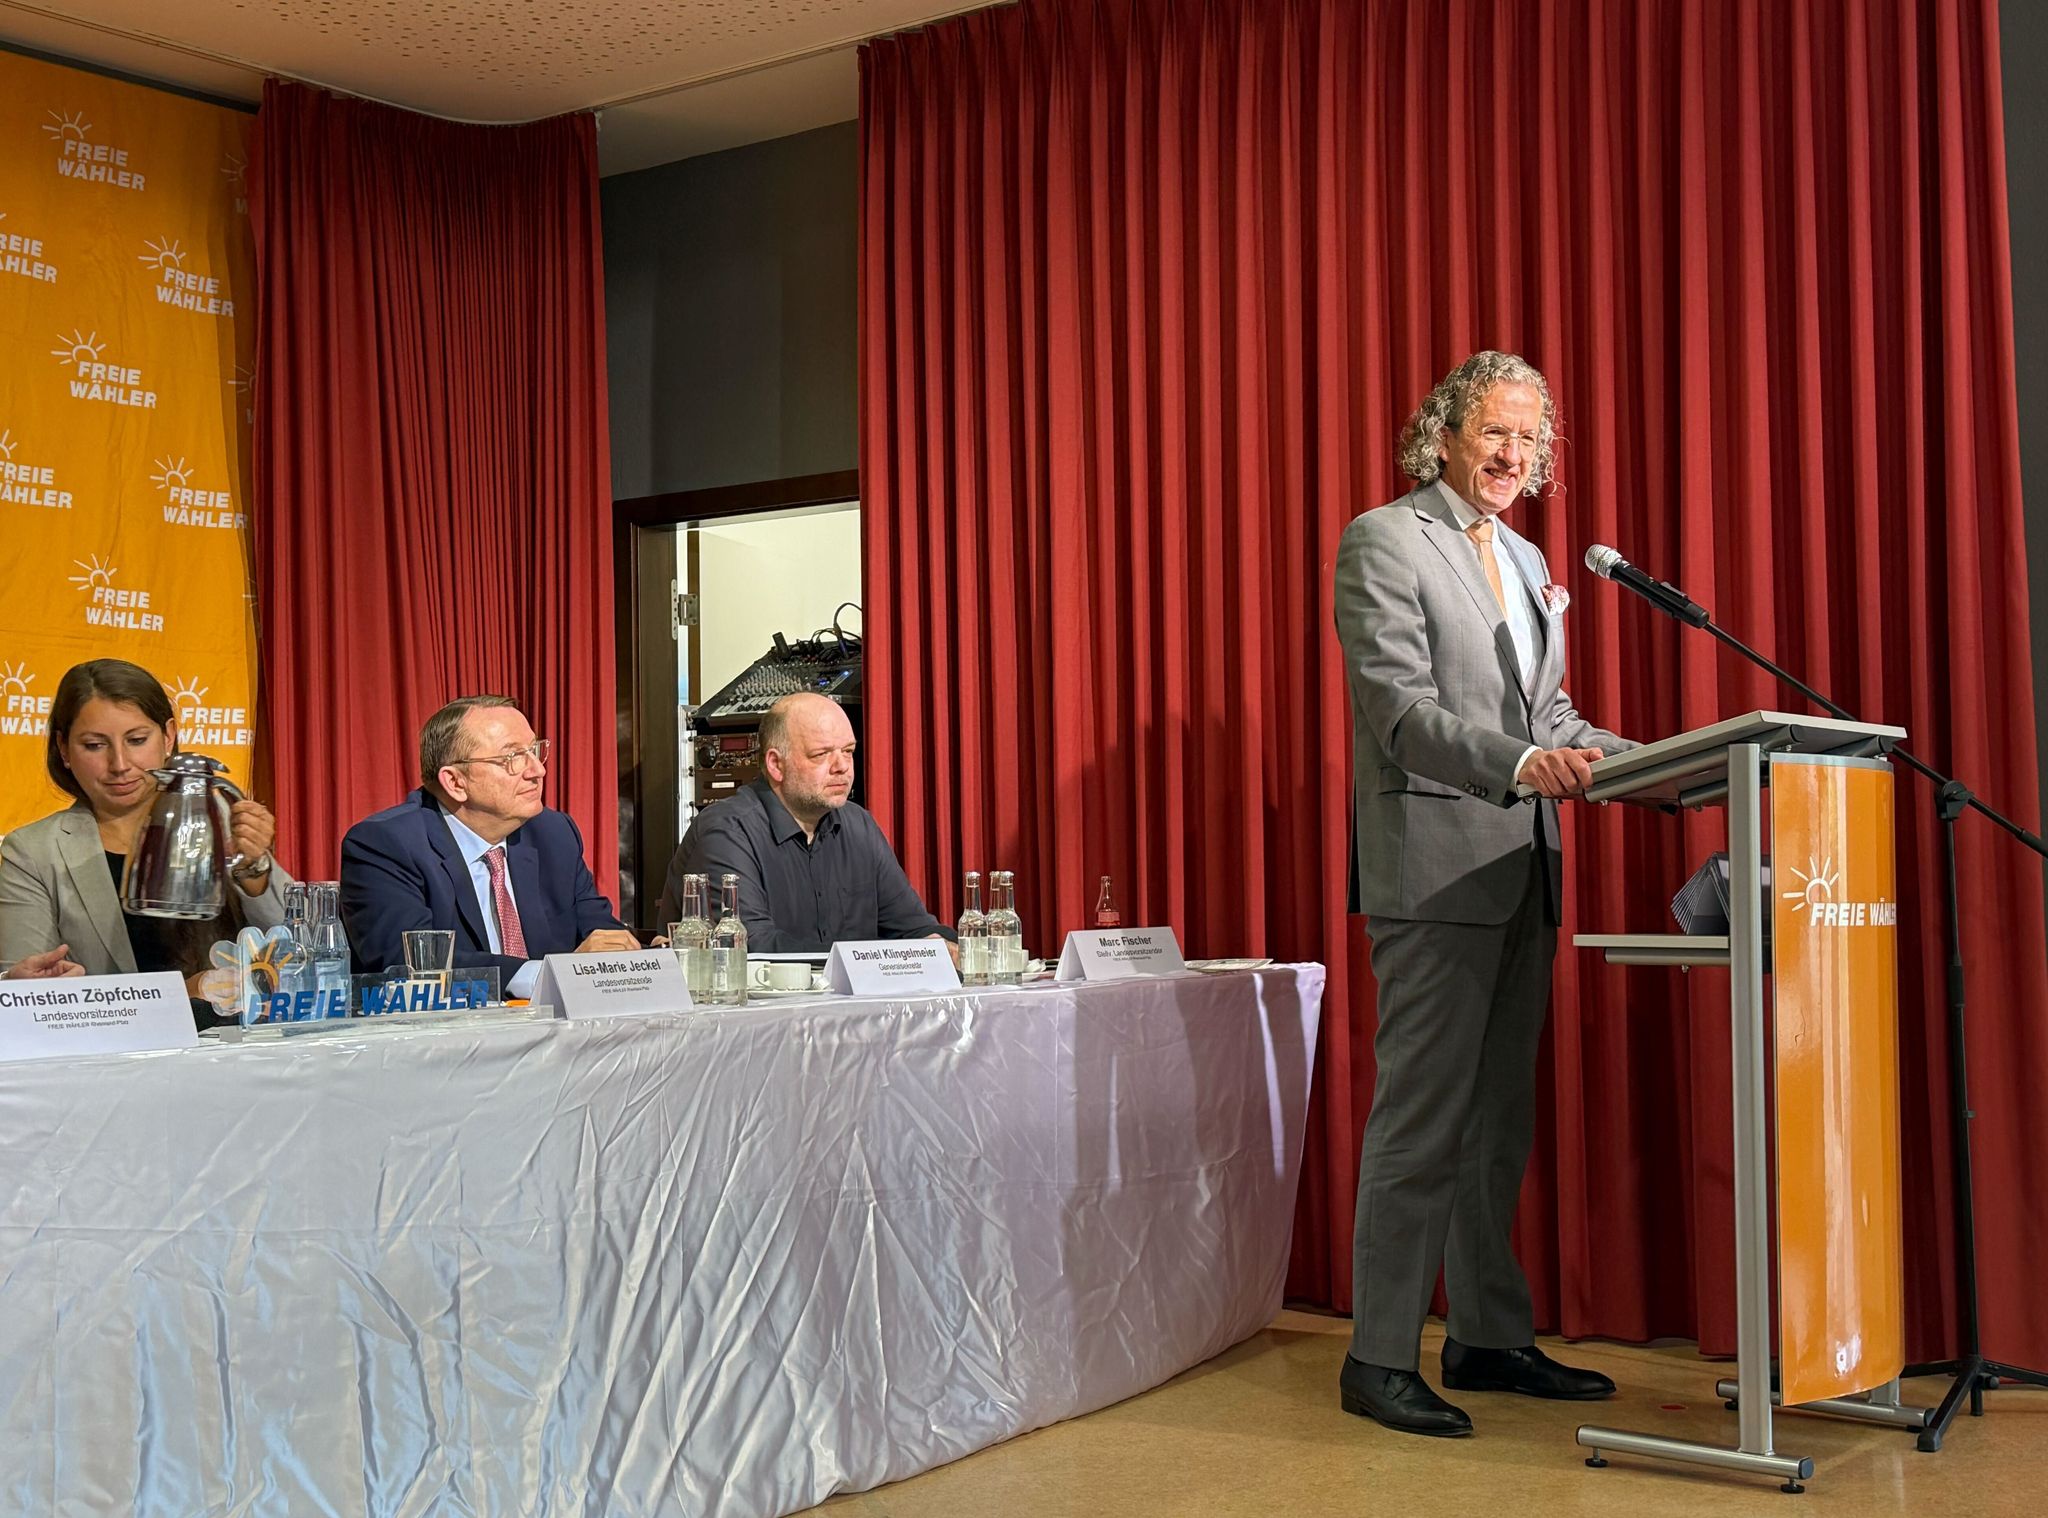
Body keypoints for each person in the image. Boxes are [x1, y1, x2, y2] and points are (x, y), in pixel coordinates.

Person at [1332, 351, 1637, 1437]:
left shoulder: (1526, 555)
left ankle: (1488, 1337)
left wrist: (1655, 764)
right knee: (1421, 1122)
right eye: (1495, 432)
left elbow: (1548, 718)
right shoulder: (1384, 539)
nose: (1513, 455)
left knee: (1497, 1124)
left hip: (1523, 868)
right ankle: (1376, 1357)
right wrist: (1519, 765)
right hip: (1433, 869)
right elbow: (1398, 710)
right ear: (1445, 436)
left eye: (1529, 439)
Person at [0, 659, 291, 1023]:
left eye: (137, 740)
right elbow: (27, 1000)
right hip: (116, 1051)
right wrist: (179, 993)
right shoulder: (33, 851)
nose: (120, 764)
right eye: (94, 745)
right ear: (64, 748)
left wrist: (254, 868)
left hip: (241, 1042)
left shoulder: (216, 813)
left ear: (168, 736)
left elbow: (297, 950)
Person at [340, 695, 637, 995]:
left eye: (534, 750)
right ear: (455, 782)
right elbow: (408, 965)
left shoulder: (554, 834)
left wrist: (637, 954)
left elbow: (600, 933)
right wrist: (547, 976)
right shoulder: (385, 845)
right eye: (513, 757)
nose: (538, 770)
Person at [657, 692, 951, 953]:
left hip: (853, 998)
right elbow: (752, 946)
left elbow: (913, 927)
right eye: (821, 754)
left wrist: (945, 946)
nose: (842, 767)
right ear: (776, 764)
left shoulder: (858, 825)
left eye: (848, 751)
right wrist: (871, 959)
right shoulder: (727, 832)